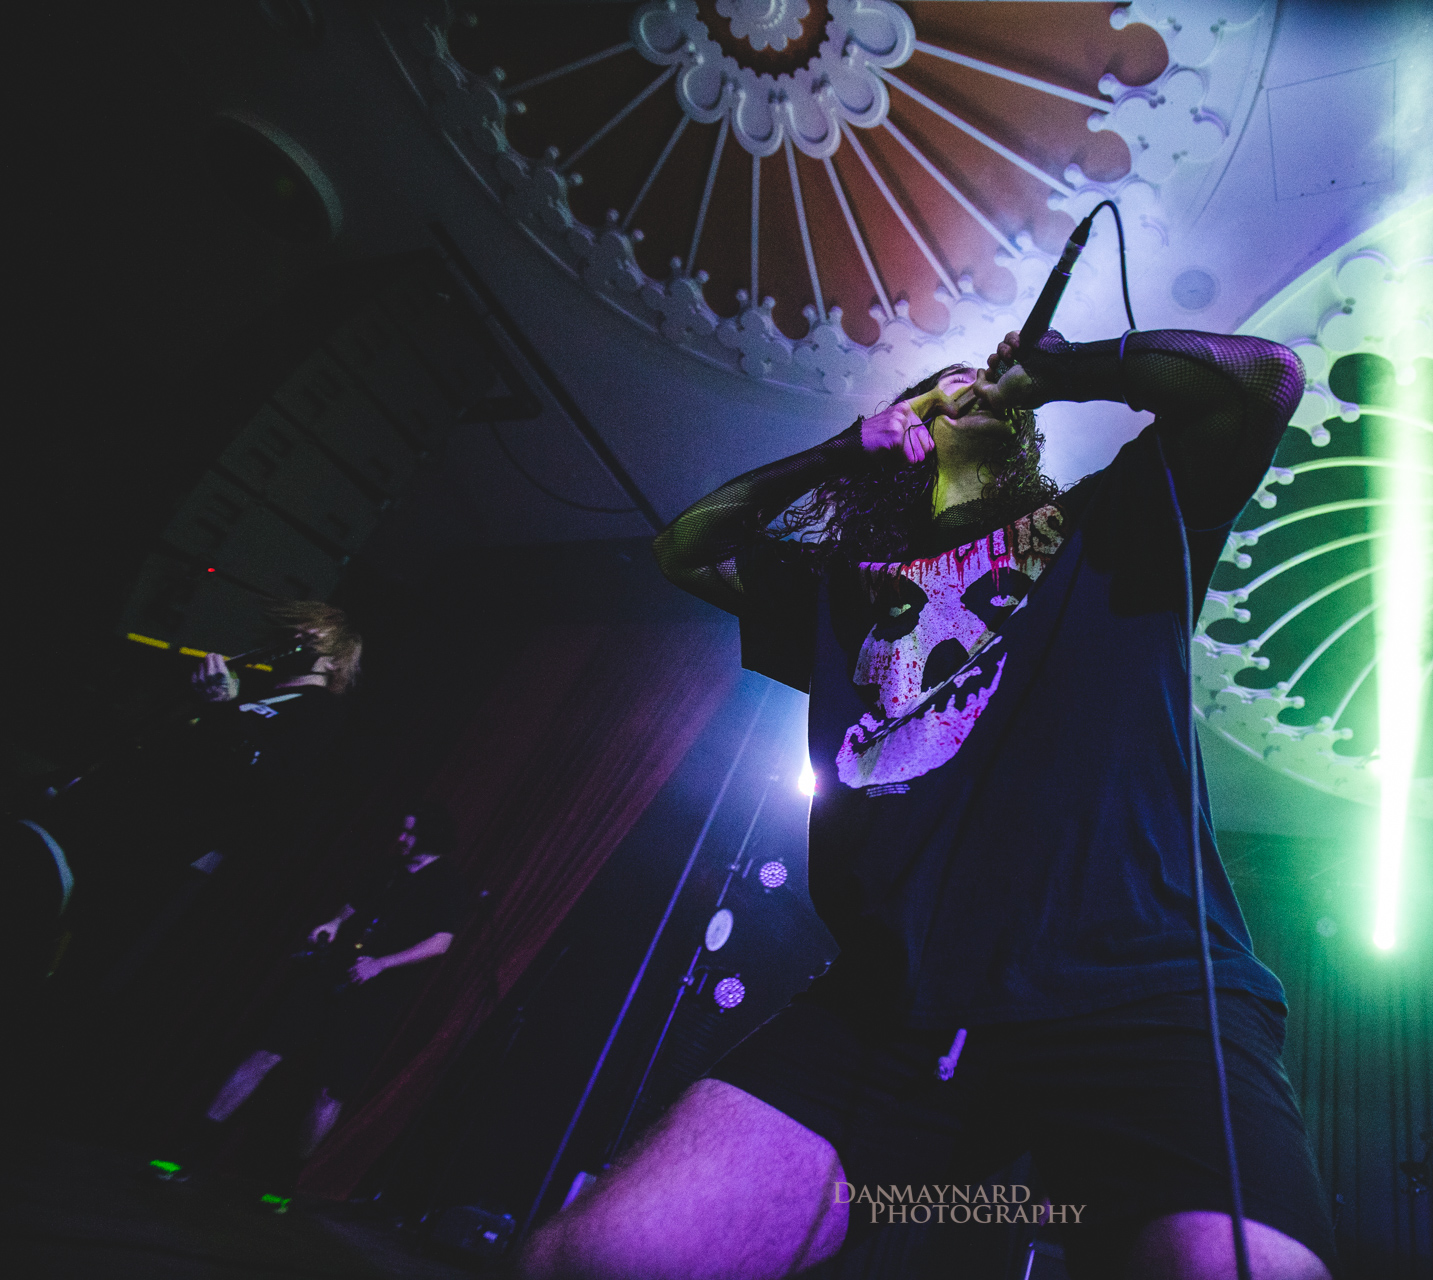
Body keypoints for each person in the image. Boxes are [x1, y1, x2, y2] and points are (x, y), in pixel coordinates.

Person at [522, 326, 1334, 1280]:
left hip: (1139, 982)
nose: (974, 384)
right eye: (948, 381)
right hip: (894, 1003)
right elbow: (683, 549)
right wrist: (843, 449)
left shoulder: (1112, 521)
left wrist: (1065, 369)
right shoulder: (846, 594)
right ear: (910, 420)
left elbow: (1260, 379)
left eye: (989, 380)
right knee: (596, 1258)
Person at [5, 600, 360, 993]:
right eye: (291, 631)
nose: (294, 639)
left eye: (309, 638)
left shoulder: (319, 713)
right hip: (87, 818)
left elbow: (259, 779)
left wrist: (222, 709)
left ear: (334, 661)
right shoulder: (257, 692)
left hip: (124, 844)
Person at [156, 805, 466, 1177]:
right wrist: (333, 924)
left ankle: (286, 1178)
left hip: (373, 995)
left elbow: (440, 942)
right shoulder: (386, 869)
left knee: (330, 1090)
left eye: (410, 833)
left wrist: (382, 964)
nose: (401, 838)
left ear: (431, 836)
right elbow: (352, 907)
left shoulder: (448, 882)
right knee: (264, 1053)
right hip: (329, 973)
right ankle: (193, 1146)